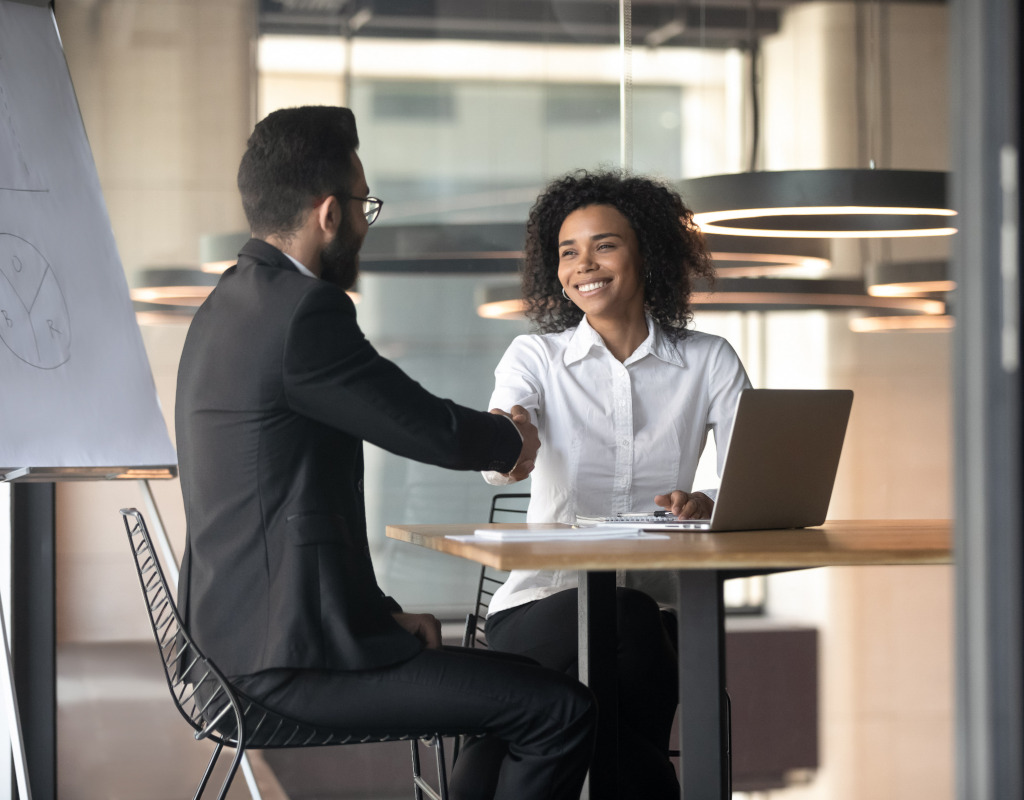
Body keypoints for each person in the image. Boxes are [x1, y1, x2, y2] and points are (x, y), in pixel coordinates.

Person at [174, 106, 594, 800]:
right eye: (365, 205)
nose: (369, 224)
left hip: (238, 647)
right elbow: (418, 423)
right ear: (330, 214)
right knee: (557, 709)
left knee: (513, 697)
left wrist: (379, 617)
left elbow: (288, 510)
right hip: (279, 668)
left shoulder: (230, 303)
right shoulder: (302, 315)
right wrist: (512, 440)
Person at [481, 169, 753, 799]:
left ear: (647, 252)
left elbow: (750, 483)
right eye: (568, 251)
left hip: (660, 613)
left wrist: (708, 500)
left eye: (604, 244)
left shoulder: (709, 359)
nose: (584, 264)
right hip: (538, 606)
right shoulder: (535, 358)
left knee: (629, 630)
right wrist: (512, 438)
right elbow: (500, 457)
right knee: (625, 623)